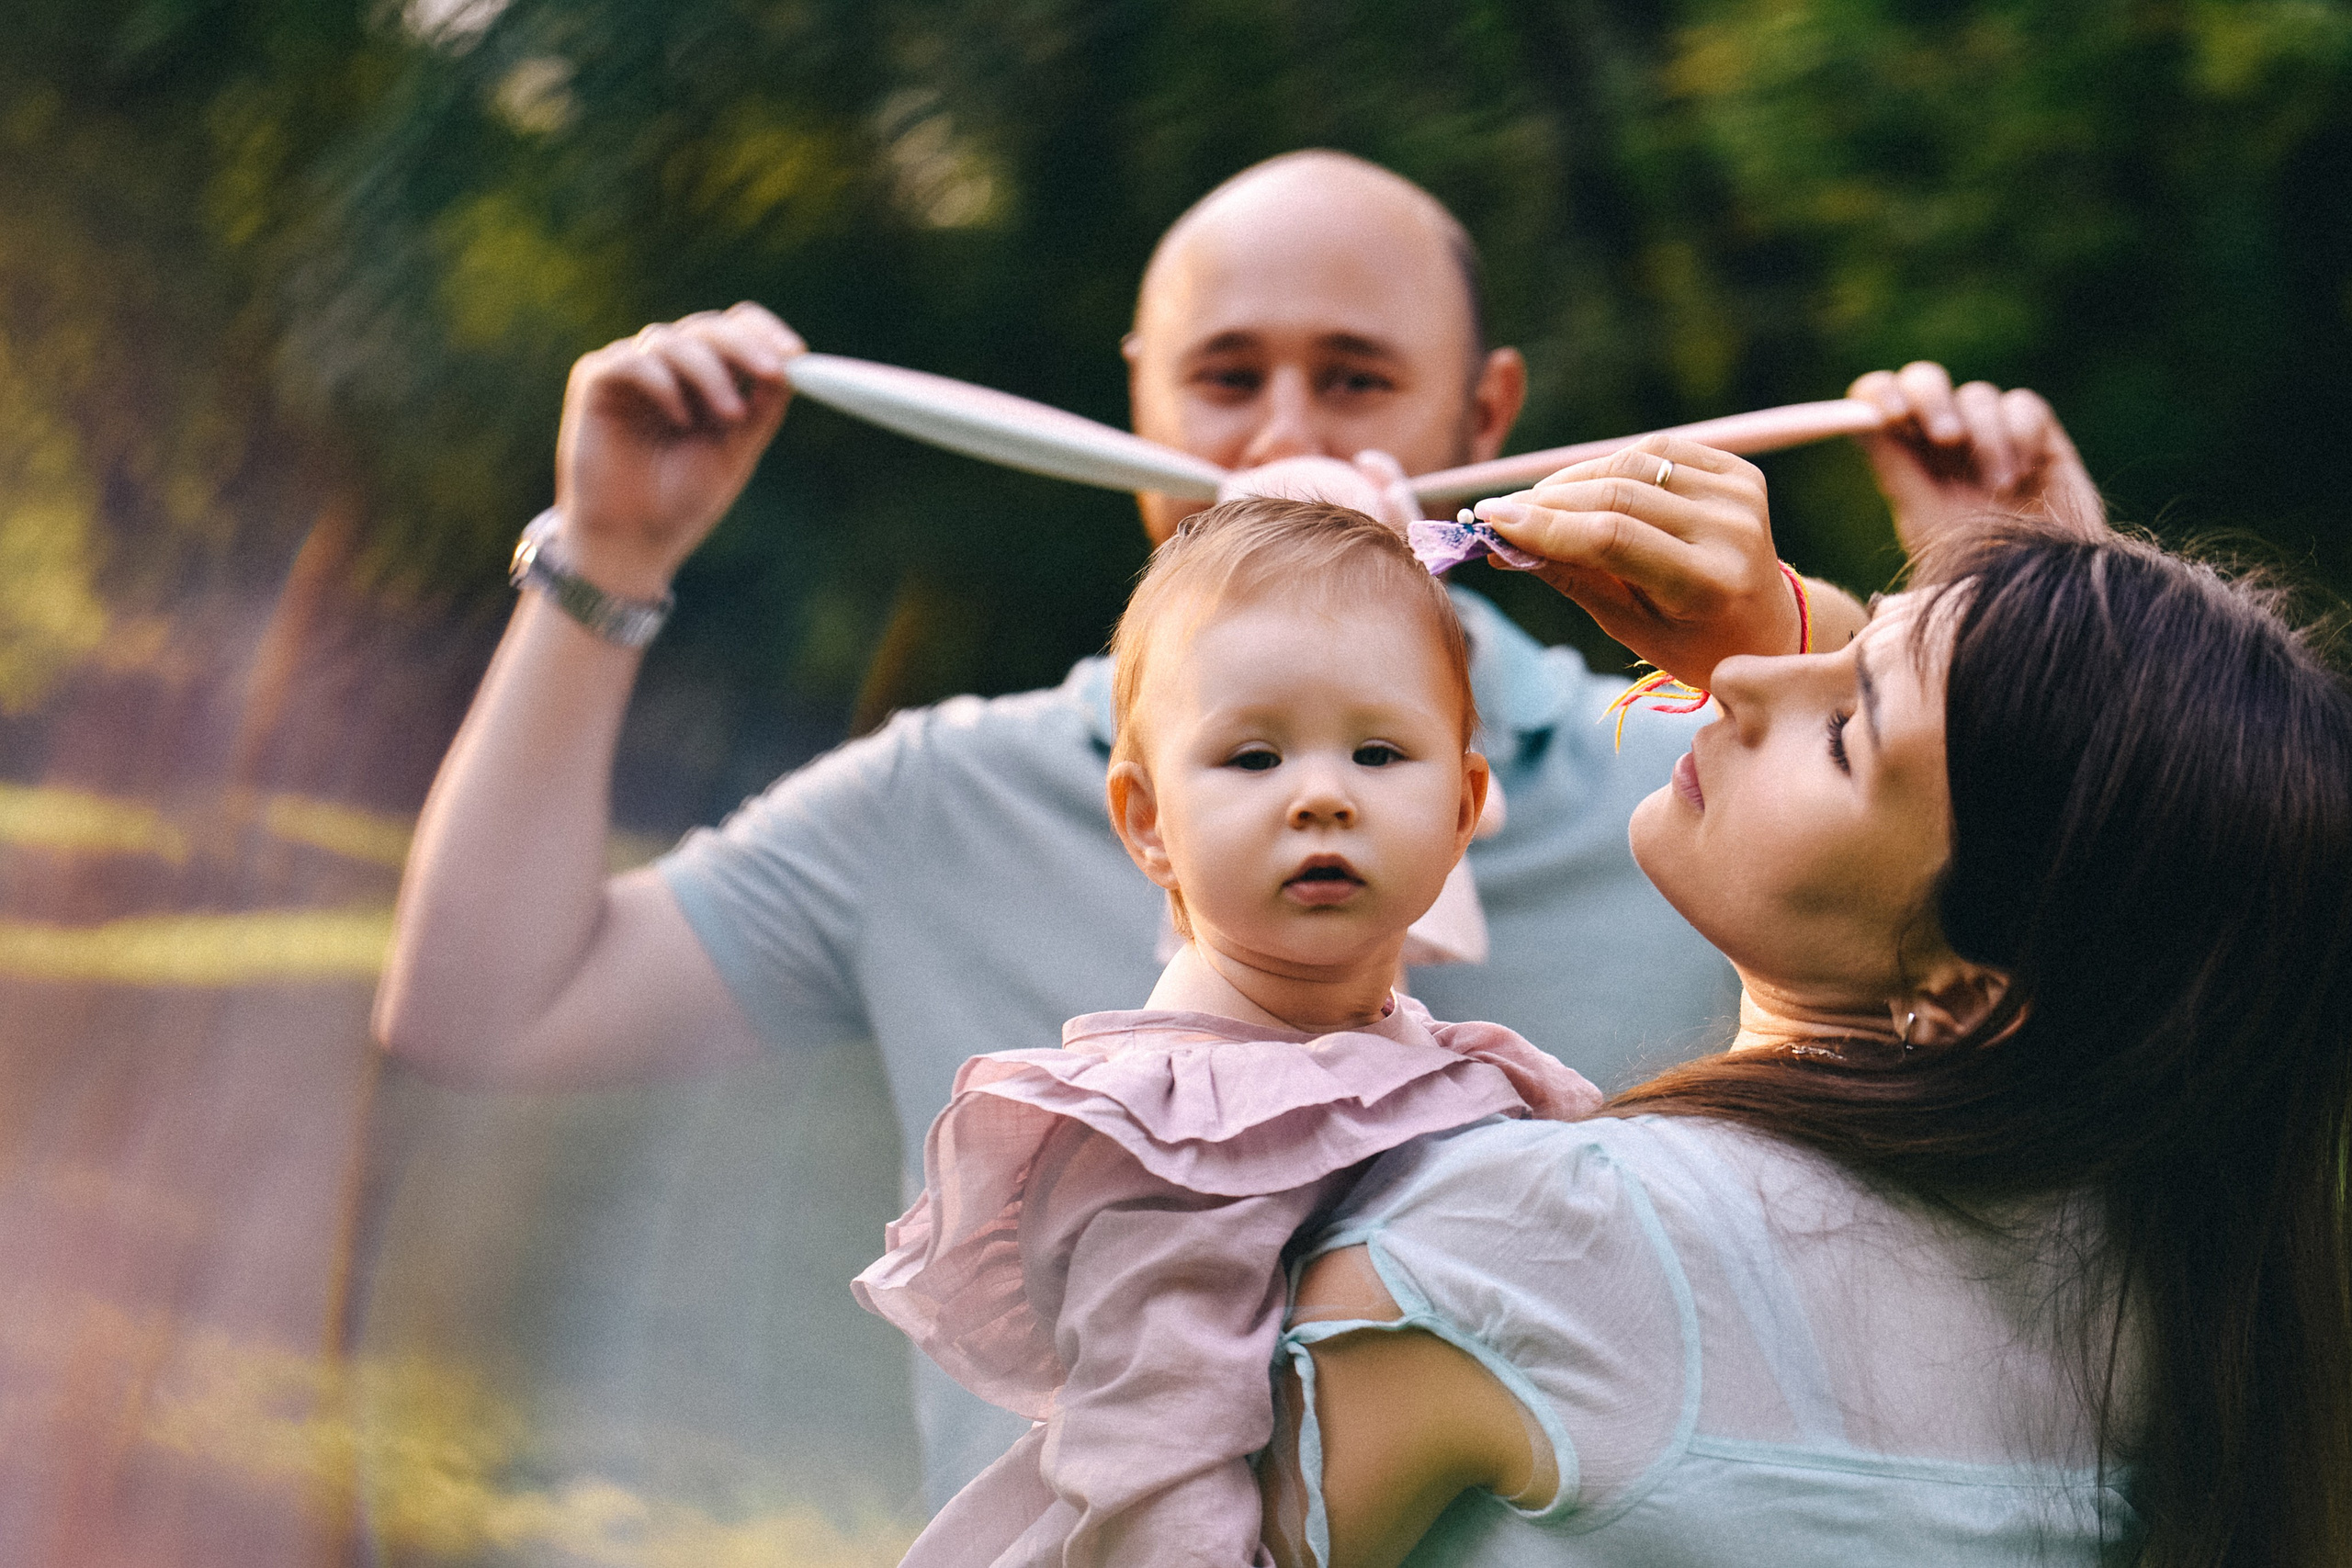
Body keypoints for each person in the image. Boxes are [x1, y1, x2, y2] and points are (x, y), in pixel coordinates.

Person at [371, 146, 2089, 1504]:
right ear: (1133, 396)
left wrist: (2032, 626)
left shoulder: (1702, 796)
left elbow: (2065, 1045)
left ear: (1483, 419)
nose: (1280, 443)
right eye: (1222, 378)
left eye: (1353, 380)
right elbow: (480, 1006)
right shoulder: (948, 792)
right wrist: (604, 562)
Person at [1257, 511, 2352, 1566]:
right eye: (1848, 639)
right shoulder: (2202, 1322)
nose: (1736, 677)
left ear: (1969, 992)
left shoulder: (1551, 1240)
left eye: (1842, 728)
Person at [856, 497, 1603, 1567]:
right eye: (1253, 759)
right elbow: (1156, 1454)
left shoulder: (1429, 1066)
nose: (1320, 797)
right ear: (1148, 822)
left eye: (1380, 753)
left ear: (1460, 810)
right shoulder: (1179, 1132)